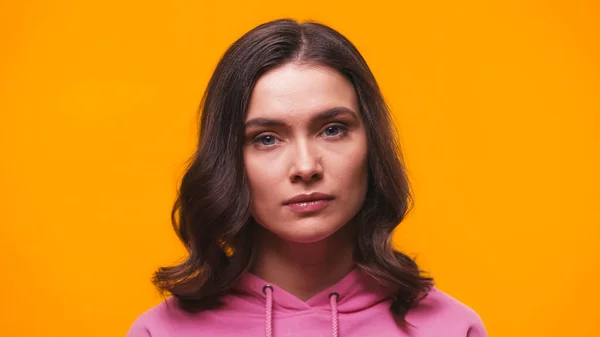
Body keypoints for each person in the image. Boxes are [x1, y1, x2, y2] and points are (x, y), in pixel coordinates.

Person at [126, 18, 487, 337]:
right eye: (266, 138)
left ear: (371, 143)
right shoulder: (159, 332)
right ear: (229, 160)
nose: (305, 166)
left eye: (332, 130)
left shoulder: (452, 328)